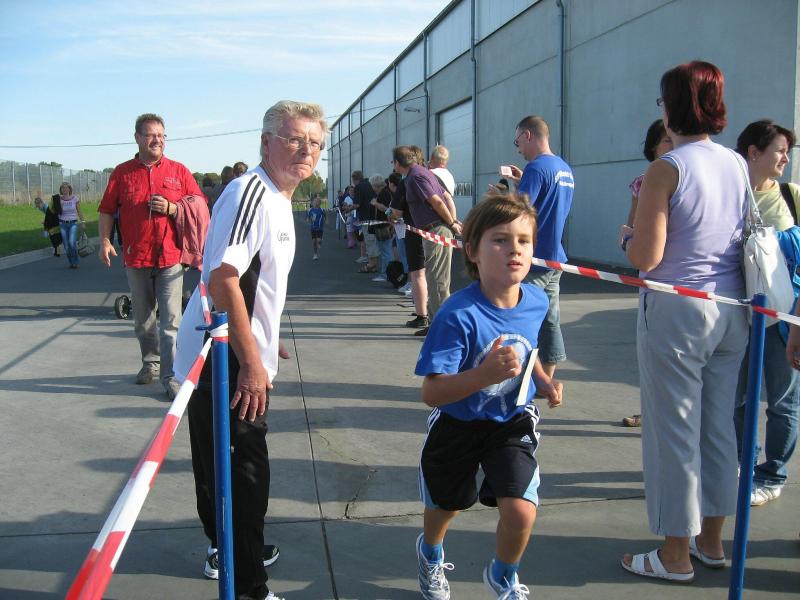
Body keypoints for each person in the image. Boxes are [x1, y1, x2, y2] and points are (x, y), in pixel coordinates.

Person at [174, 99, 326, 600]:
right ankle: (248, 586)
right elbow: (223, 278)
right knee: (243, 472)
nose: (306, 150)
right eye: (295, 139)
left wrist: (265, 334)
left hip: (238, 349)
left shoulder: (278, 198)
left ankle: (232, 551)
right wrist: (251, 362)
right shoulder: (251, 193)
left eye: (315, 143)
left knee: (228, 465)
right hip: (223, 358)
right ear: (265, 143)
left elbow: (252, 279)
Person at [620, 61, 748, 583]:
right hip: (733, 308)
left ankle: (675, 553)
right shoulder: (736, 163)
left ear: (672, 106)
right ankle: (711, 542)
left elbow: (646, 256)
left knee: (673, 432)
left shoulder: (666, 168)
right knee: (718, 428)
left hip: (677, 309)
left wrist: (628, 236)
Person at [415, 191, 562, 600]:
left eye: (524, 240)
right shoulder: (457, 314)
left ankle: (504, 575)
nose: (514, 249)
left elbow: (528, 347)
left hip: (511, 422)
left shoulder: (535, 299)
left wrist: (543, 380)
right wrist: (483, 375)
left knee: (521, 510)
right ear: (472, 251)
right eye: (500, 239)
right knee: (446, 506)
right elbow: (432, 392)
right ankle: (430, 553)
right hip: (458, 423)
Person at [98, 113, 204, 401]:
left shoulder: (179, 171)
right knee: (143, 320)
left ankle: (171, 377)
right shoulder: (122, 173)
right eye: (150, 135)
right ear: (137, 138)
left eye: (161, 135)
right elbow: (107, 209)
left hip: (171, 257)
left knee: (171, 322)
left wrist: (173, 208)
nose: (157, 140)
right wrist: (105, 240)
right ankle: (151, 363)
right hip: (137, 258)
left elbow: (199, 203)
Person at [733, 119, 800, 506]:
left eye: (788, 151)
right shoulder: (730, 196)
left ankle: (772, 475)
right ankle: (742, 465)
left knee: (783, 400)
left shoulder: (792, 197)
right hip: (739, 311)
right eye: (780, 150)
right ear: (754, 152)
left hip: (785, 317)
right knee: (738, 398)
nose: (786, 158)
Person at [505, 116, 574, 381]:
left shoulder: (536, 168)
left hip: (533, 259)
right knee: (549, 320)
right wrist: (521, 182)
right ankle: (547, 378)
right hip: (555, 257)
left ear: (528, 135)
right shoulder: (564, 168)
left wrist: (499, 198)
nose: (519, 149)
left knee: (519, 319)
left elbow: (517, 211)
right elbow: (546, 203)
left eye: (517, 142)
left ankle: (520, 381)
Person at [621, 119, 673, 428]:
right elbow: (633, 227)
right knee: (654, 354)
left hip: (692, 286)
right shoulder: (644, 182)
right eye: (666, 140)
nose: (672, 145)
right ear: (653, 147)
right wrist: (630, 240)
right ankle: (650, 410)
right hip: (655, 281)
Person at [392, 146, 462, 337]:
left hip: (436, 230)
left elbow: (437, 201)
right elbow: (446, 197)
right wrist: (452, 221)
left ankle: (443, 329)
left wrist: (451, 223)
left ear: (398, 163)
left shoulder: (416, 177)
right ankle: (435, 324)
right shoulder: (422, 173)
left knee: (437, 282)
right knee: (434, 280)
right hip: (433, 231)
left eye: (393, 162)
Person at [368, 174, 394, 283]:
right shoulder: (384, 193)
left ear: (376, 185)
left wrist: (375, 203)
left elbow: (387, 210)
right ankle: (385, 273)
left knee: (386, 251)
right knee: (385, 251)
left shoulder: (384, 194)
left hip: (384, 226)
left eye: (372, 185)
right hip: (383, 225)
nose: (372, 188)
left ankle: (386, 274)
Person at [54, 182, 85, 269]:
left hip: (73, 224)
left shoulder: (75, 198)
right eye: (63, 188)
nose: (64, 189)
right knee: (66, 246)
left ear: (69, 189)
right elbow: (55, 212)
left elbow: (79, 211)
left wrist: (83, 222)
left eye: (66, 187)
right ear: (61, 189)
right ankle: (71, 262)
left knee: (72, 243)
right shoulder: (58, 199)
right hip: (62, 224)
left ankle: (75, 262)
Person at [352, 170, 376, 268]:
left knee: (369, 241)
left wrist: (348, 208)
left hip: (365, 217)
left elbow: (357, 204)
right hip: (373, 216)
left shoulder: (358, 187)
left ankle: (372, 264)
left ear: (354, 179)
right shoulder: (369, 184)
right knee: (372, 241)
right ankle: (372, 262)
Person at [306, 196, 326, 260]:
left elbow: (325, 216)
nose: (315, 203)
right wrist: (308, 219)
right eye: (314, 201)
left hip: (320, 228)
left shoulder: (322, 210)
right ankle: (315, 254)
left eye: (317, 201)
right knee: (314, 242)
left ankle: (320, 242)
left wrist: (327, 220)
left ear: (319, 203)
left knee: (318, 240)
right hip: (313, 228)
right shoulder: (310, 210)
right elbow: (308, 218)